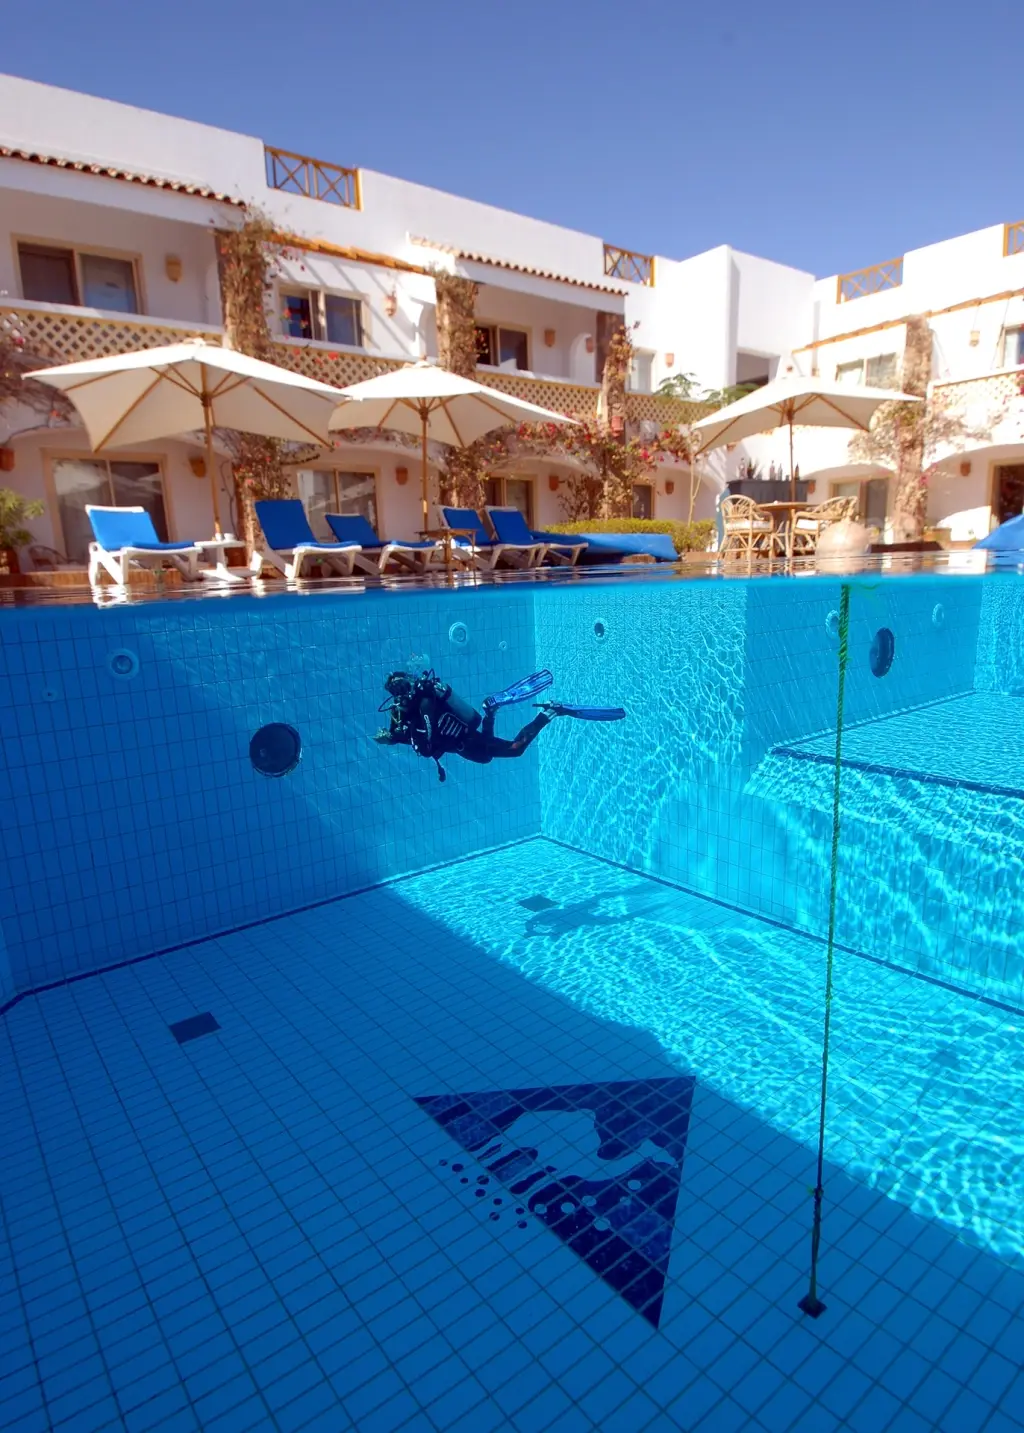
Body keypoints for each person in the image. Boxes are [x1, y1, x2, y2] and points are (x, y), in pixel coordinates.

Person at [374, 669, 624, 782]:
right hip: (466, 741)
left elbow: (428, 744)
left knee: (515, 749)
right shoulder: (416, 709)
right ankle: (490, 711)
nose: (400, 696)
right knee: (486, 757)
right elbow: (422, 738)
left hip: (466, 741)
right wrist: (397, 737)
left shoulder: (424, 706)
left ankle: (551, 712)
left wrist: (401, 737)